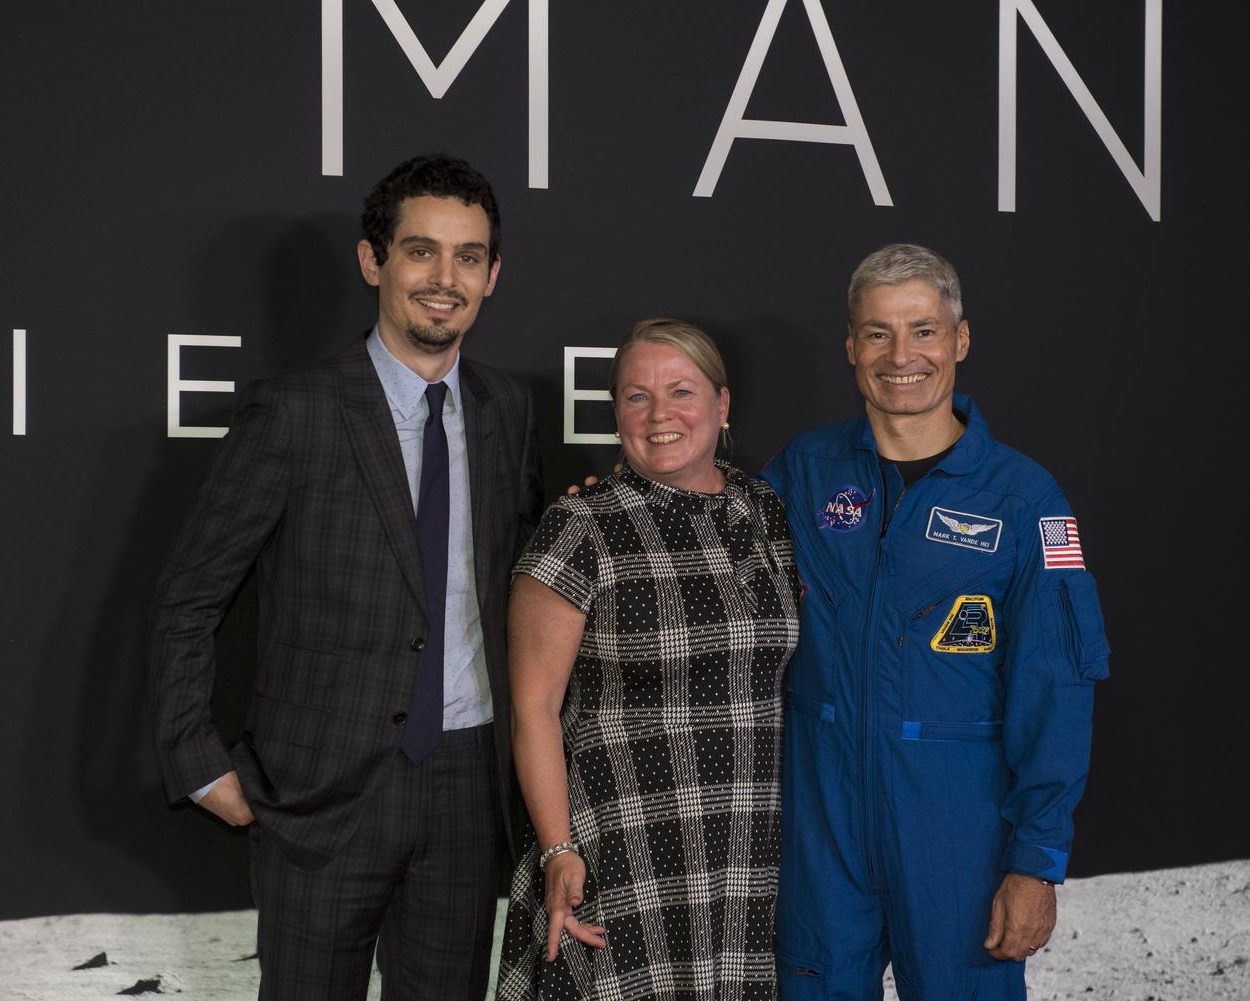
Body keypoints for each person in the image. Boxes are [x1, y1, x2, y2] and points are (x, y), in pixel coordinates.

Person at [147, 153, 543, 1001]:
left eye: (468, 256)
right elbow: (189, 597)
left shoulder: (506, 410)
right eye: (421, 251)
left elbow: (522, 574)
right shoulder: (295, 412)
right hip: (322, 794)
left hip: (469, 790)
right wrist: (196, 758)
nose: (445, 278)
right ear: (374, 261)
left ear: (493, 274)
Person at [762, 244, 1109, 1000]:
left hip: (959, 835)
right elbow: (702, 546)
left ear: (960, 340)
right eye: (878, 332)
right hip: (824, 830)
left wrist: (1036, 860)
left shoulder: (1024, 500)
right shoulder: (803, 471)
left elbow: (1058, 689)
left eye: (923, 330)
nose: (901, 355)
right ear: (851, 346)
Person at [494, 319, 800, 1001]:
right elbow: (533, 708)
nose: (660, 414)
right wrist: (556, 848)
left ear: (723, 407)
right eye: (637, 396)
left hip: (748, 852)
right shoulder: (579, 526)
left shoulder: (768, 512)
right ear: (617, 415)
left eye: (681, 391)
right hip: (623, 851)